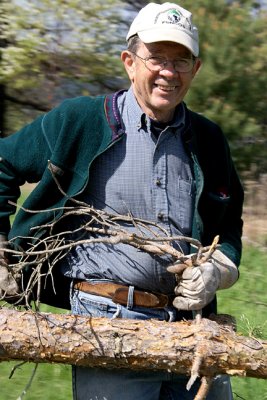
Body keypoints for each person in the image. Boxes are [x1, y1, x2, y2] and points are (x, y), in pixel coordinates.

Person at [0, 2, 244, 399]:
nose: (168, 72)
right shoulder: (81, 120)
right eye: (156, 58)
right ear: (130, 62)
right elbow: (3, 163)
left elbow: (228, 222)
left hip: (192, 328)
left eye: (181, 61)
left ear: (195, 70)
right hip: (108, 326)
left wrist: (218, 270)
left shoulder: (209, 140)